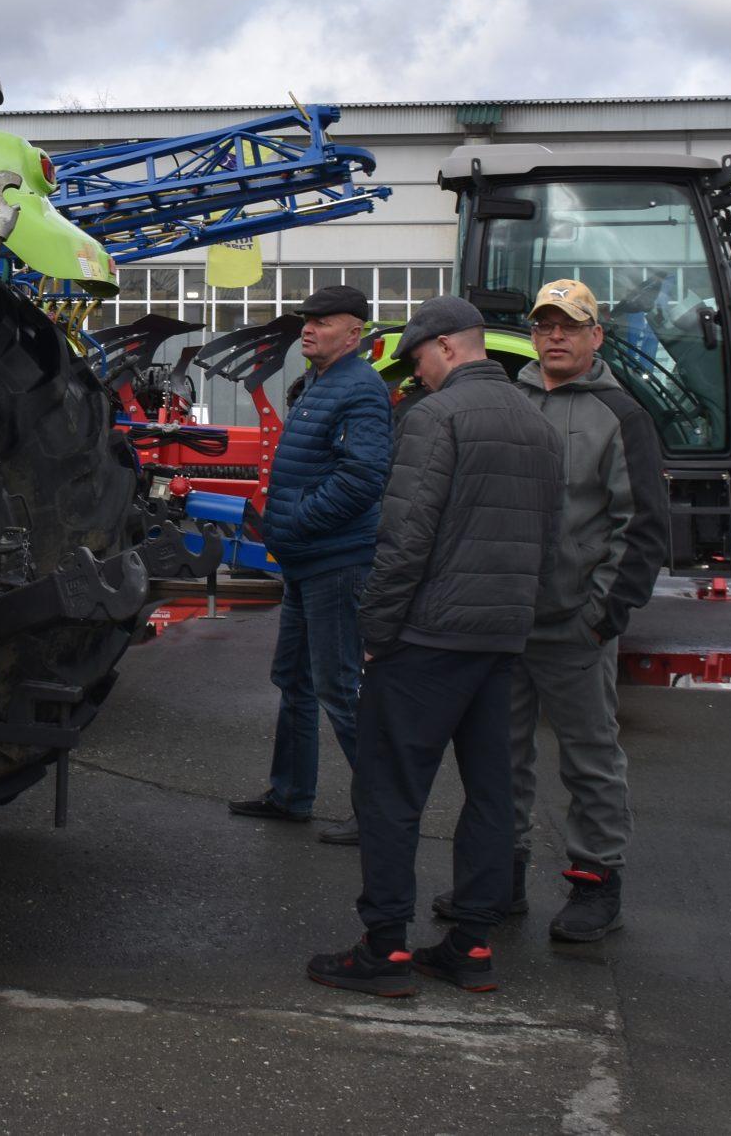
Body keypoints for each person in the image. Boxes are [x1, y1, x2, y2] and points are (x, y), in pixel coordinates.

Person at [308, 297, 562, 998]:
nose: (415, 374)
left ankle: (384, 947)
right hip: (500, 639)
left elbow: (404, 538)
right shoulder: (537, 425)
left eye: (417, 358)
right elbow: (551, 541)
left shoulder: (435, 417)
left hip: (427, 638)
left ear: (447, 346)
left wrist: (376, 632)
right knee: (491, 792)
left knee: (390, 791)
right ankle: (472, 943)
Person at [443, 279, 668, 943]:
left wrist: (601, 616)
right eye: (545, 325)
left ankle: (597, 884)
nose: (555, 336)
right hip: (505, 619)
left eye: (570, 325)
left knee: (590, 757)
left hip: (575, 623)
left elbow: (642, 527)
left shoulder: (620, 416)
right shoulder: (508, 402)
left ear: (596, 335)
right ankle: (501, 879)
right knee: (499, 757)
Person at [228, 285, 392, 844]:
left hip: (335, 561)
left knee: (339, 688)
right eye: (307, 319)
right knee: (294, 680)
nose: (308, 328)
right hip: (306, 560)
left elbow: (362, 479)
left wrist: (296, 520)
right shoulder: (321, 382)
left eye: (323, 321)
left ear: (354, 333)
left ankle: (380, 814)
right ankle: (290, 795)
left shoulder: (361, 389)